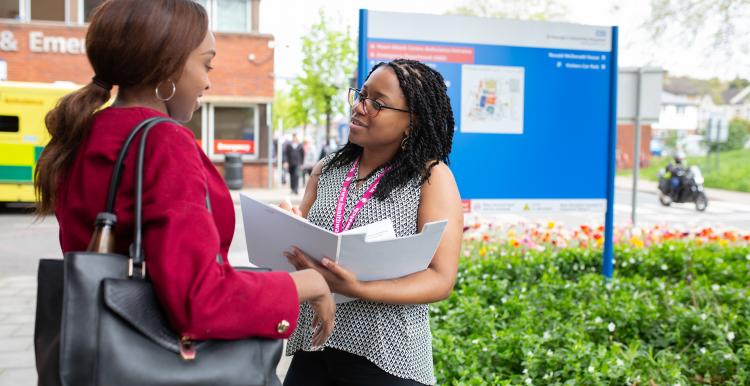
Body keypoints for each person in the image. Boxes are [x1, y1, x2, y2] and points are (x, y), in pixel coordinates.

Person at [33, 0, 333, 348]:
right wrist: (309, 283)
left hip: (99, 347)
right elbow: (199, 300)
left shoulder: (85, 131)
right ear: (168, 67)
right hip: (156, 356)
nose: (207, 82)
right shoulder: (164, 141)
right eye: (206, 64)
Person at [281, 59, 464, 386]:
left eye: (377, 103)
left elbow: (440, 278)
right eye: (361, 95)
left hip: (387, 358)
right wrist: (285, 228)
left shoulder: (430, 177)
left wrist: (358, 289)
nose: (359, 107)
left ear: (413, 121)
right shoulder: (326, 170)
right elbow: (301, 243)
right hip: (314, 344)